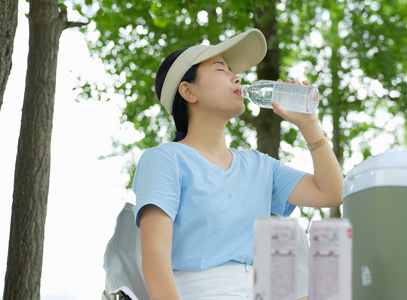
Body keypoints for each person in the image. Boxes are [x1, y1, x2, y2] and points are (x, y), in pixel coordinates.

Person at [133, 28, 343, 300]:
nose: (237, 77)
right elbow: (154, 254)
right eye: (221, 69)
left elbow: (332, 192)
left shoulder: (259, 165)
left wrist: (308, 124)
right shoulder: (165, 159)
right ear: (188, 91)